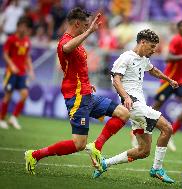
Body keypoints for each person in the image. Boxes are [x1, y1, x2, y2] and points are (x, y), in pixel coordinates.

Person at [24, 7, 130, 175]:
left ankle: (96, 146)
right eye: (85, 25)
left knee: (123, 113)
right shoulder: (65, 41)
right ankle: (34, 155)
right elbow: (66, 49)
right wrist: (89, 32)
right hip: (77, 97)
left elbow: (77, 67)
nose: (88, 28)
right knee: (78, 144)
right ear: (78, 24)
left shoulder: (78, 42)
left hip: (87, 93)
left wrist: (88, 84)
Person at [93, 29, 179, 184]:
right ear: (142, 42)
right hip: (134, 105)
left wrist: (169, 80)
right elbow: (116, 79)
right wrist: (126, 97)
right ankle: (157, 169)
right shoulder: (126, 57)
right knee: (167, 128)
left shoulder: (143, 58)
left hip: (139, 106)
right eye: (152, 46)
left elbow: (153, 70)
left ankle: (104, 164)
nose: (154, 50)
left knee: (143, 151)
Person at [152, 19, 182, 151]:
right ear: (179, 28)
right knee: (154, 109)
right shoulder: (176, 40)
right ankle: (136, 132)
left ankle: (170, 135)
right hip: (169, 80)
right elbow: (169, 58)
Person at [0, 17, 34, 130]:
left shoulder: (27, 41)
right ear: (18, 27)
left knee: (24, 95)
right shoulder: (11, 39)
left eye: (25, 26)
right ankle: (1, 119)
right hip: (11, 72)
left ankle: (13, 118)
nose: (24, 28)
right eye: (22, 26)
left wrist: (31, 70)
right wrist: (12, 65)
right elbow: (5, 54)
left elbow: (27, 57)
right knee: (8, 96)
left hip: (22, 73)